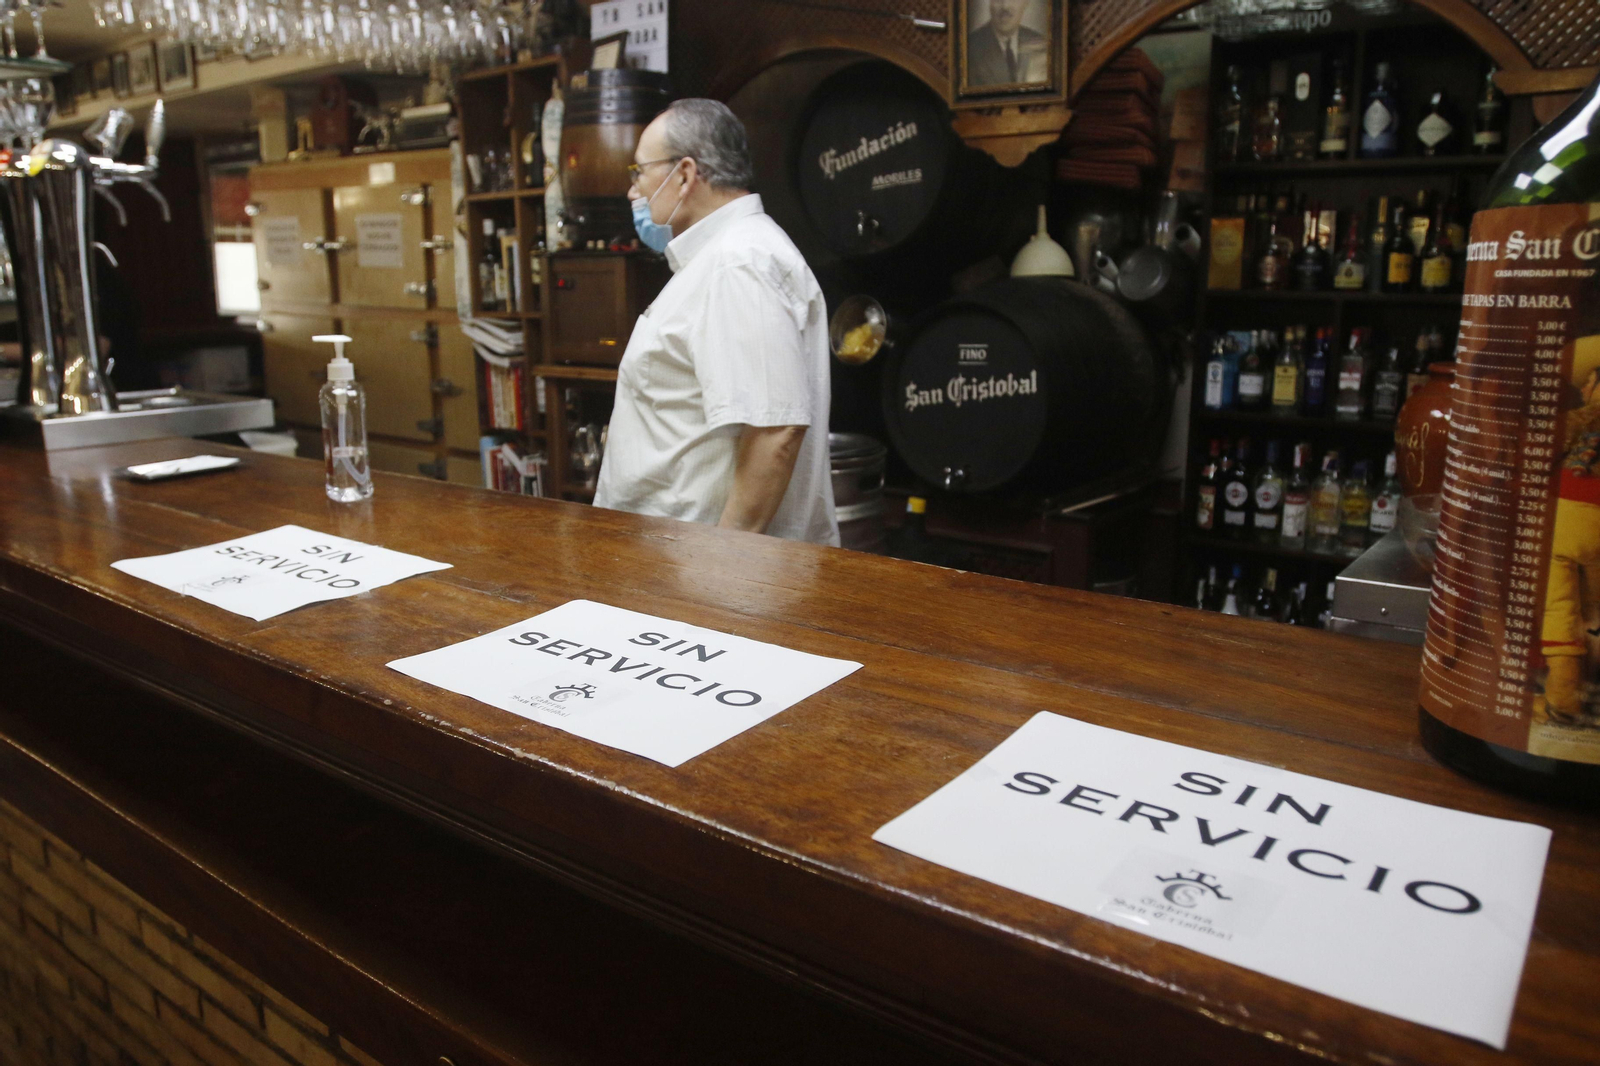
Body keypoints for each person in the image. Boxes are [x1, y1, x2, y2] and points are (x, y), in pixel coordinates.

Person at [593, 99, 839, 546]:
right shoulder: (721, 257)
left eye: (639, 172)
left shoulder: (738, 262)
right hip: (666, 559)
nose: (632, 191)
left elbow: (775, 430)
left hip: (695, 568)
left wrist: (723, 566)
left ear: (685, 174)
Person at [1539, 334, 1600, 725]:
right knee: (1595, 612)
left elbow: (1544, 446)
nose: (1584, 388)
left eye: (1589, 381)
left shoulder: (1579, 419)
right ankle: (1591, 690)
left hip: (1565, 524)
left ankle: (1564, 698)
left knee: (1560, 608)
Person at [966, 0, 1048, 88]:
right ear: (990, 3)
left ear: (1025, 3)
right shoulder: (970, 48)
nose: (1005, 6)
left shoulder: (1041, 44)